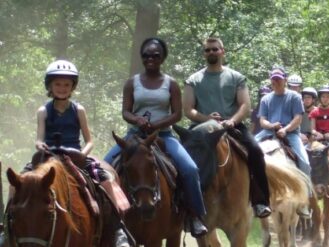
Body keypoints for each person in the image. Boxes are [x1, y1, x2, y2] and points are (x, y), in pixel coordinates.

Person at [104, 37, 208, 238]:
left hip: (164, 136)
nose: (150, 58)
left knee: (190, 169)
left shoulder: (171, 84)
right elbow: (125, 111)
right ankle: (106, 218)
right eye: (146, 55)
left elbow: (177, 114)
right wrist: (137, 120)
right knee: (104, 167)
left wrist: (157, 125)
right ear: (141, 58)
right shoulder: (131, 83)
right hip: (134, 137)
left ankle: (194, 215)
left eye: (155, 55)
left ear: (162, 58)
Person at [31, 59, 130, 247]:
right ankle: (7, 228)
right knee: (20, 181)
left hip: (75, 156)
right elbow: (39, 138)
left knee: (105, 179)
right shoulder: (43, 110)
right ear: (50, 85)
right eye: (58, 84)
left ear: (72, 86)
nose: (62, 88)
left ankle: (117, 229)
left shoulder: (79, 109)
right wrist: (40, 145)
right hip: (49, 156)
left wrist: (82, 154)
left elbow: (89, 140)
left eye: (66, 84)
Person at [183, 37, 271, 218]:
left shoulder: (236, 77)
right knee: (180, 159)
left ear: (223, 51)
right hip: (202, 129)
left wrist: (232, 120)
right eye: (207, 50)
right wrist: (205, 118)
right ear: (204, 54)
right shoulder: (194, 80)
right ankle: (183, 206)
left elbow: (245, 105)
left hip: (232, 126)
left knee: (255, 151)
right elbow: (188, 109)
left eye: (215, 49)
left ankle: (260, 201)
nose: (211, 53)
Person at [254, 66, 311, 218]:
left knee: (305, 163)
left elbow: (298, 118)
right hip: (268, 132)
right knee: (247, 152)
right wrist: (272, 126)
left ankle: (305, 201)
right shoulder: (266, 98)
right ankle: (253, 197)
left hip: (290, 134)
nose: (276, 82)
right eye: (274, 79)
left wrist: (285, 130)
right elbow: (262, 120)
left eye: (279, 79)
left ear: (285, 80)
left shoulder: (294, 97)